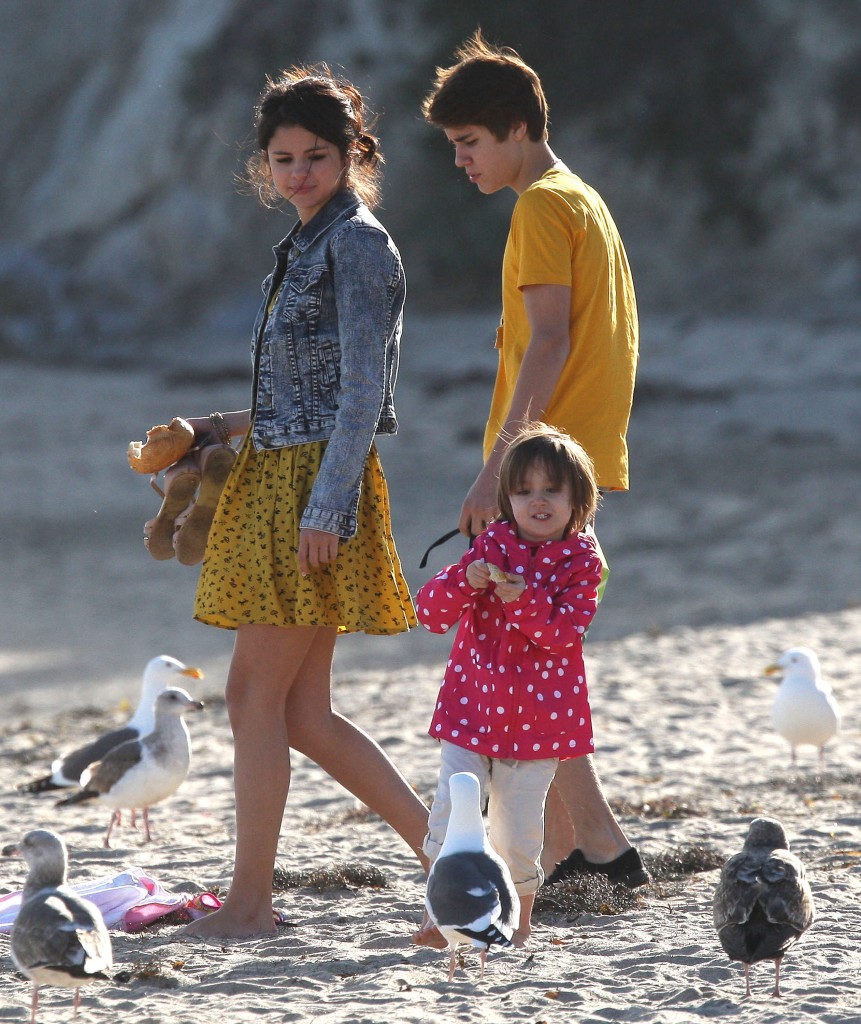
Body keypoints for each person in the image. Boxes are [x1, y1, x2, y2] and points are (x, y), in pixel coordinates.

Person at [158, 66, 430, 938]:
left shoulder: (356, 243)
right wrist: (217, 425)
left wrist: (327, 508)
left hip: (315, 489)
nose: (299, 172)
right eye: (283, 159)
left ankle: (249, 905)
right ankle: (453, 857)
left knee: (251, 700)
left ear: (353, 153)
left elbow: (361, 396)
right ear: (264, 165)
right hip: (287, 473)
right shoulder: (310, 239)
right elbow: (306, 395)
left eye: (317, 156)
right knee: (300, 712)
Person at [422, 32, 648, 888]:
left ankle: (589, 845)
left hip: (544, 466)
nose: (461, 161)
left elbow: (549, 341)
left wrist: (500, 467)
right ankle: (587, 845)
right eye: (454, 147)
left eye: (470, 143)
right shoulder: (580, 197)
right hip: (569, 454)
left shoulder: (542, 206)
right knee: (529, 659)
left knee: (521, 662)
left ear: (516, 128)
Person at [416, 423, 604, 945]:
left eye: (552, 490)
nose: (537, 502)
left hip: (539, 726)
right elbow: (429, 614)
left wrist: (520, 599)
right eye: (523, 491)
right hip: (470, 711)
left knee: (517, 833)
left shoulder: (584, 562)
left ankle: (519, 924)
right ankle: (437, 916)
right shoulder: (491, 544)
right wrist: (464, 578)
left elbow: (564, 633)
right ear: (507, 499)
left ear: (578, 500)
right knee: (452, 814)